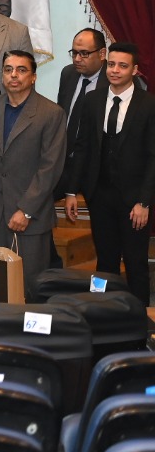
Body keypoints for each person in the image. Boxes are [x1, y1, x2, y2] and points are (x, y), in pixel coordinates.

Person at [0, 50, 68, 293]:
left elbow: (50, 168)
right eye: (8, 69)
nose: (14, 75)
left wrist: (26, 210)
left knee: (29, 289)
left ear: (33, 77)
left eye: (21, 70)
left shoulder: (51, 113)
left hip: (29, 218)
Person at [64, 42, 155, 305]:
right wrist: (71, 191)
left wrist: (144, 202)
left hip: (134, 200)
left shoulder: (149, 105)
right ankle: (101, 311)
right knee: (104, 261)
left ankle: (139, 318)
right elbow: (82, 147)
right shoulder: (93, 100)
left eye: (122, 66)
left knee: (136, 262)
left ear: (134, 70)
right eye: (111, 64)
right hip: (99, 195)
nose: (115, 70)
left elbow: (153, 157)